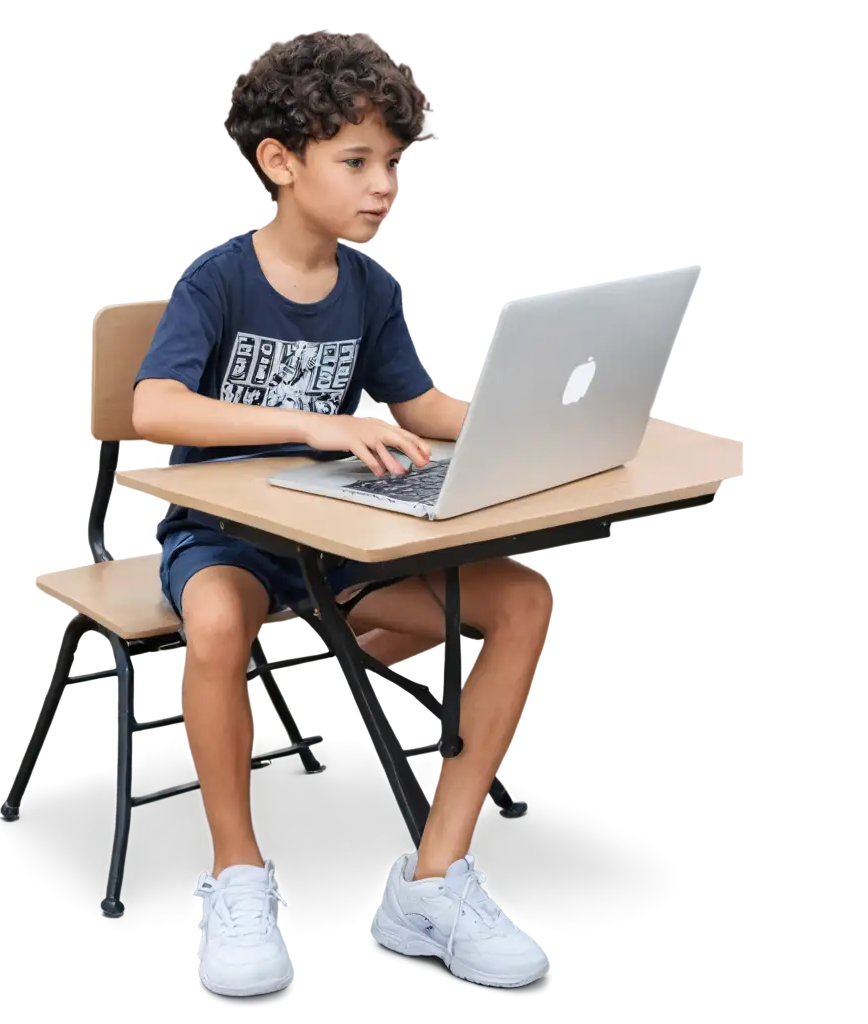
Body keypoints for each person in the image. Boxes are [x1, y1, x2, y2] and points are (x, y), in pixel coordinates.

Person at [131, 29, 553, 999]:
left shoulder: (368, 285)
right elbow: (154, 408)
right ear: (280, 162)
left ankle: (432, 883)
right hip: (229, 535)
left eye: (392, 164)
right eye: (355, 161)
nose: (383, 185)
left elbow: (419, 405)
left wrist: (517, 412)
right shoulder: (219, 278)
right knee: (215, 626)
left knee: (521, 601)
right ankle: (236, 875)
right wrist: (317, 427)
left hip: (336, 532)